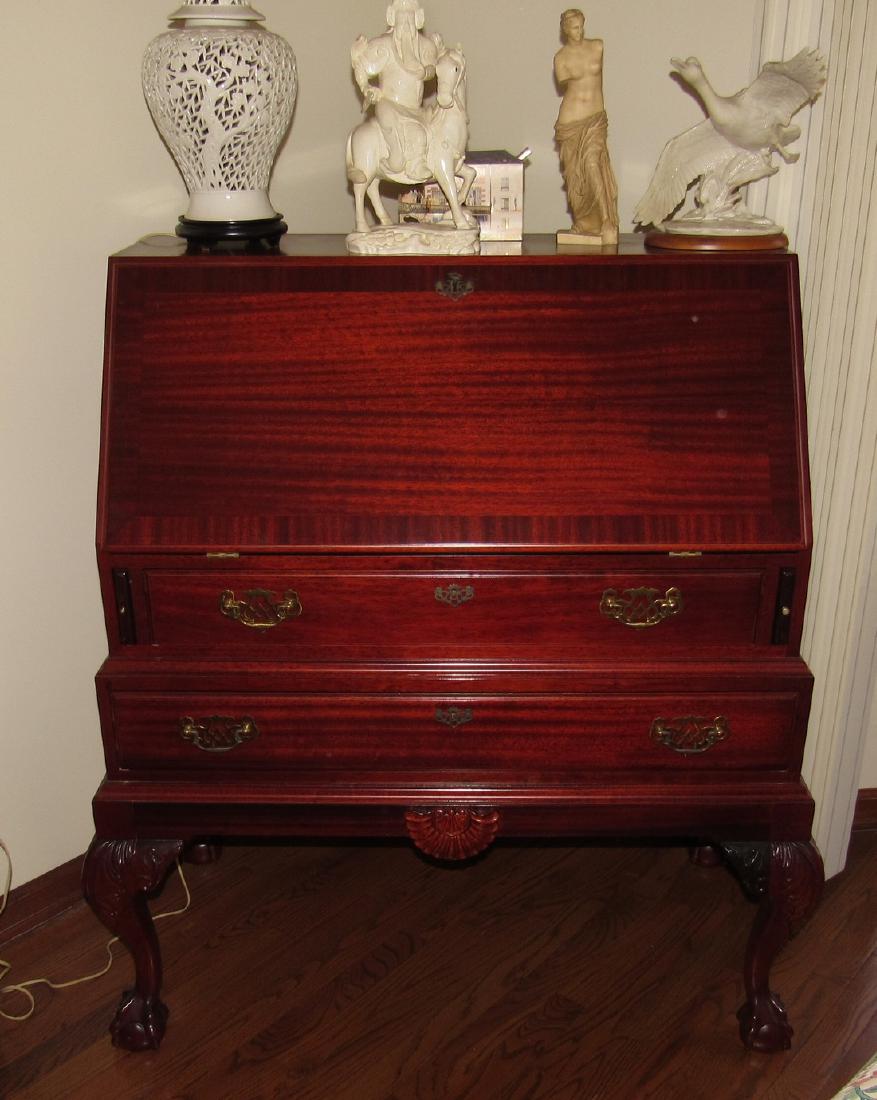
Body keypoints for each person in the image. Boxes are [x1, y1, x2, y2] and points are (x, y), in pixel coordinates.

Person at [351, 0, 442, 180]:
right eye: (402, 19)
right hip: (390, 103)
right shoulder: (383, 46)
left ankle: (421, 164)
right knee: (392, 123)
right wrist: (366, 87)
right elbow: (362, 66)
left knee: (430, 132)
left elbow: (435, 68)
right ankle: (396, 158)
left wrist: (428, 70)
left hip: (415, 109)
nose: (406, 24)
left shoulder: (425, 47)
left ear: (418, 19)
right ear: (392, 17)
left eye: (410, 19)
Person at [554, 8, 619, 244]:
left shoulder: (597, 46)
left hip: (594, 119)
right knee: (575, 177)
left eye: (581, 26)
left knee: (593, 164)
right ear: (565, 30)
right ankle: (584, 220)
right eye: (573, 28)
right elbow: (563, 83)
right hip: (570, 122)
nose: (579, 32)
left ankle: (607, 221)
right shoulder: (560, 58)